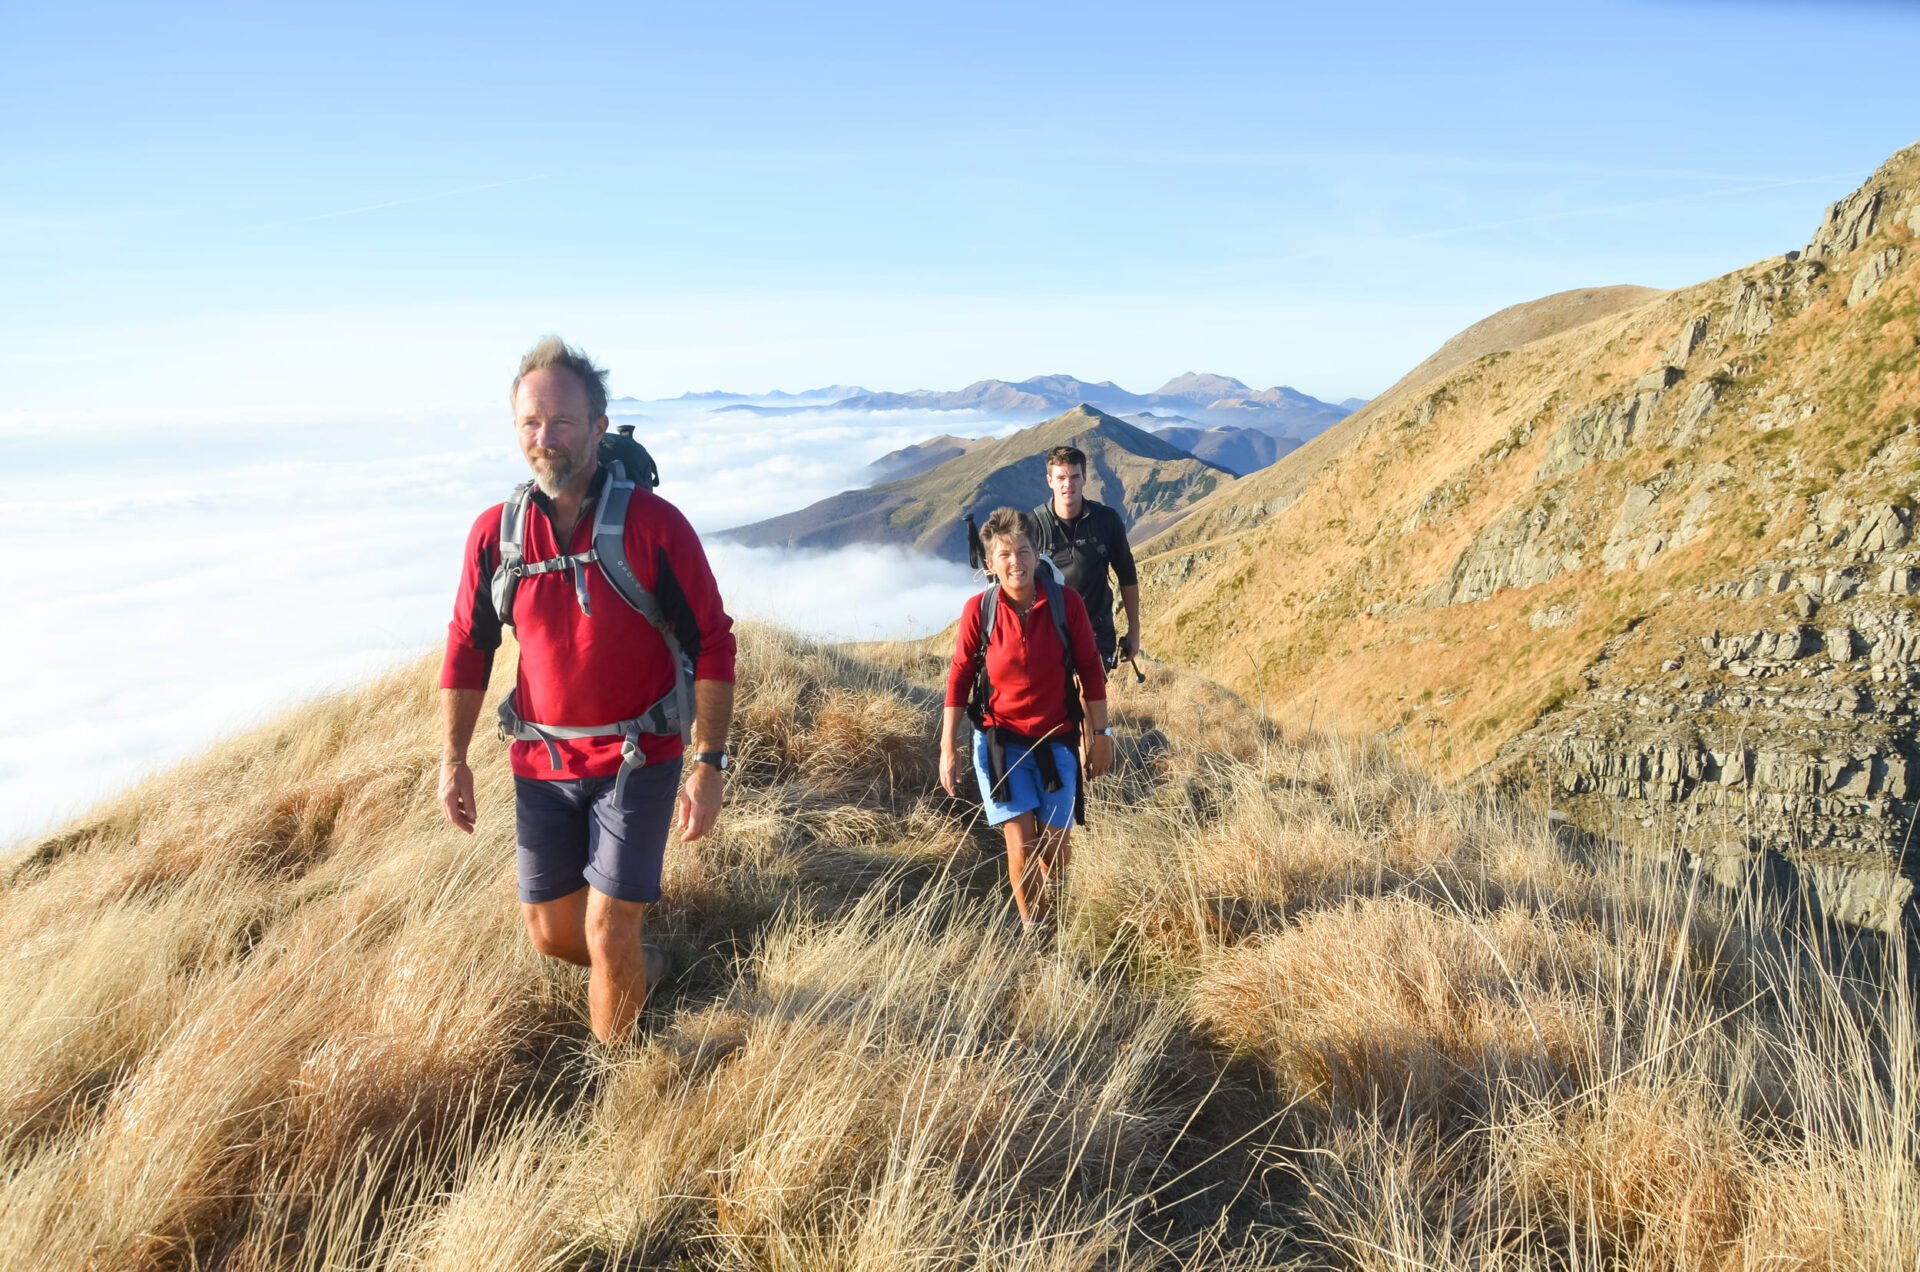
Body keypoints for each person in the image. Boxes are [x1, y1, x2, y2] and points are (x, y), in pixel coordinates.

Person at [438, 336, 737, 1044]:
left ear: (600, 429)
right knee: (551, 934)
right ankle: (647, 964)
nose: (545, 439)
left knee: (605, 930)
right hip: (541, 764)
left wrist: (709, 763)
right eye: (530, 424)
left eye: (563, 422)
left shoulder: (654, 528)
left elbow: (713, 642)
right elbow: (468, 642)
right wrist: (453, 756)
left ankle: (620, 1094)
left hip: (640, 756)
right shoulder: (496, 535)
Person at [940, 507, 1111, 932]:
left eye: (1024, 550)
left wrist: (1102, 734)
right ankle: (1036, 930)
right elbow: (959, 677)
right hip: (1001, 743)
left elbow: (1090, 669)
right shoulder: (979, 611)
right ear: (989, 564)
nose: (1015, 561)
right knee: (1021, 843)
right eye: (1004, 554)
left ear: (1037, 555)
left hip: (1056, 739)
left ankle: (1053, 905)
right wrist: (947, 748)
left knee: (1056, 845)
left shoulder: (1064, 604)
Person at [1030, 444, 1140, 670]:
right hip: (1047, 634)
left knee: (1090, 700)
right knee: (1056, 703)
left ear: (1084, 478)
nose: (1068, 484)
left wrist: (1134, 630)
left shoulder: (1106, 521)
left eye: (1074, 476)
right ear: (1049, 481)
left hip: (1097, 632)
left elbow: (1127, 576)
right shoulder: (1032, 526)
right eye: (1060, 478)